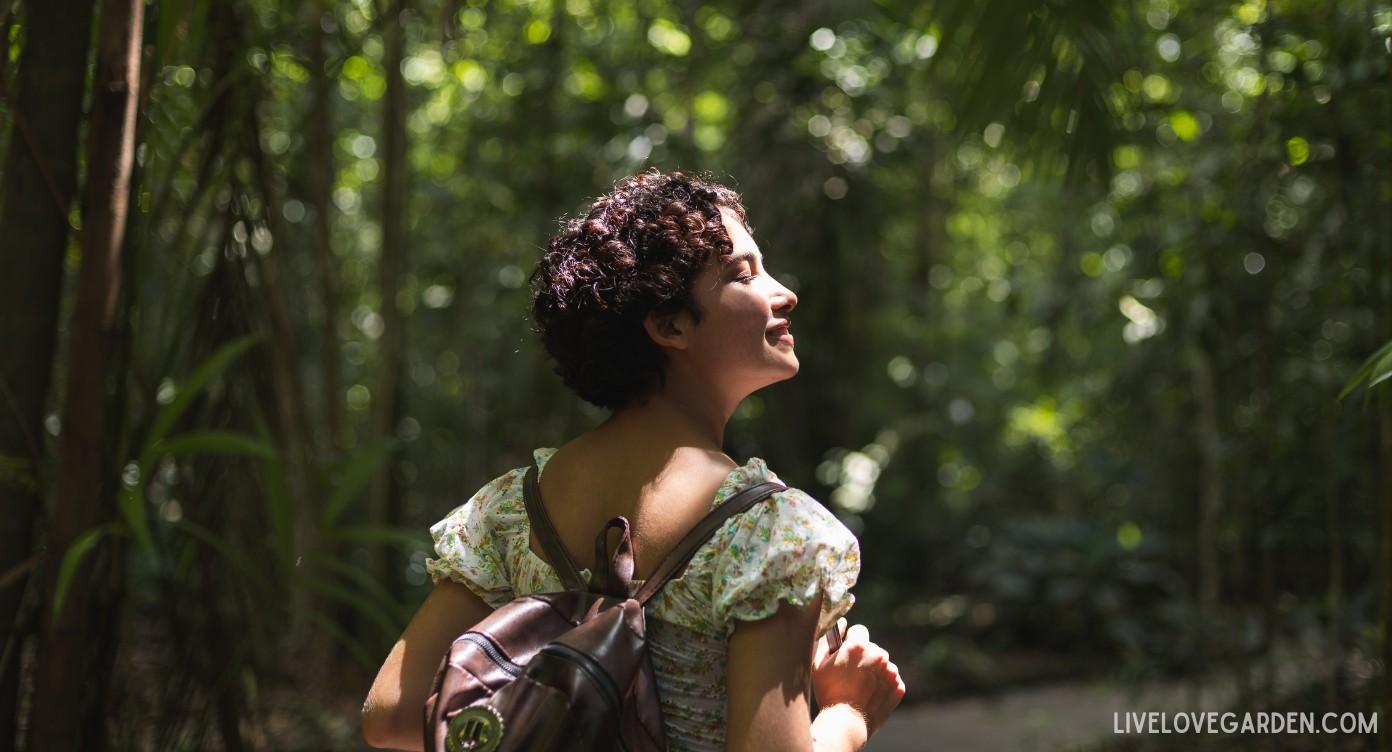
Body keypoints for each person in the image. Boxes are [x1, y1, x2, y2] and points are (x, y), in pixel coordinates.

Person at [362, 171, 905, 751]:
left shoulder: (508, 514)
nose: (784, 293)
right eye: (743, 274)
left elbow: (391, 715)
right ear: (669, 325)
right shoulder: (769, 534)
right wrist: (848, 712)